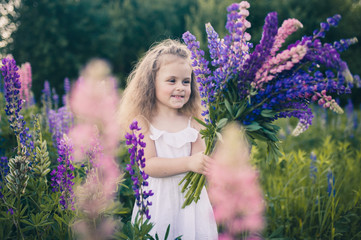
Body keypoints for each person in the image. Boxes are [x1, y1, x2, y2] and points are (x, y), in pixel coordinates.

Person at [118, 39, 218, 239]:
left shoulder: (194, 121)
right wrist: (189, 162)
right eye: (172, 81)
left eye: (186, 81)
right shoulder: (143, 121)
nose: (180, 87)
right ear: (151, 83)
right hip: (158, 203)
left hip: (191, 205)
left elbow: (201, 159)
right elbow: (148, 165)